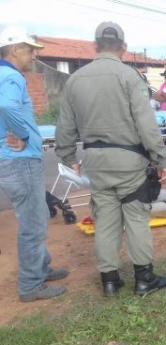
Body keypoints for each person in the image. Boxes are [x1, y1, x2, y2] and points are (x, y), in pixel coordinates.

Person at [55, 22, 166, 296]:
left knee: (105, 220)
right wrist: (161, 157)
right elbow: (146, 125)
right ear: (123, 47)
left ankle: (109, 280)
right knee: (135, 218)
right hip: (129, 162)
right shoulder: (130, 77)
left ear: (96, 46)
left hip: (95, 161)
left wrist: (68, 155)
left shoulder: (75, 80)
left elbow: (65, 127)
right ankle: (144, 279)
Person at [0, 26, 68, 302]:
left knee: (36, 215)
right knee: (33, 223)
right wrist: (26, 135)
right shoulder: (10, 76)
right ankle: (31, 285)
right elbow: (6, 107)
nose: (33, 56)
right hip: (20, 161)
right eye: (29, 50)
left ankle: (41, 267)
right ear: (14, 49)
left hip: (14, 161)